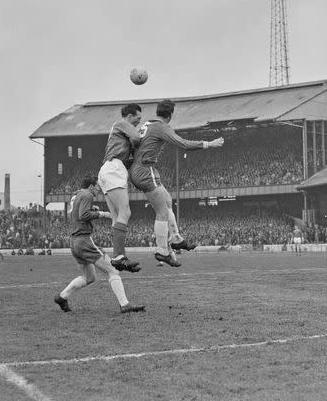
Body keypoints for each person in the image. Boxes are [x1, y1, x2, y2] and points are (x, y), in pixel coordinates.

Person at [129, 99, 224, 267]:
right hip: (145, 169)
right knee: (162, 212)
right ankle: (162, 251)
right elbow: (183, 144)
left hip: (142, 168)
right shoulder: (161, 127)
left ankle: (176, 239)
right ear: (170, 115)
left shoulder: (148, 124)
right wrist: (210, 144)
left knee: (167, 202)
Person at [54, 174, 145, 314]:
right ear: (91, 186)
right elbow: (83, 215)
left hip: (74, 242)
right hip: (84, 240)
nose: (98, 190)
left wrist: (94, 209)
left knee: (90, 277)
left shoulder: (76, 195)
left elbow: (77, 213)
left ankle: (62, 297)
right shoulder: (87, 194)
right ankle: (125, 305)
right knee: (113, 270)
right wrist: (102, 214)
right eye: (97, 187)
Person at [97, 103, 143, 273]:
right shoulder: (122, 124)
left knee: (116, 216)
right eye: (137, 119)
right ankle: (118, 256)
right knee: (126, 213)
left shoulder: (118, 130)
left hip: (108, 169)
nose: (138, 122)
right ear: (129, 116)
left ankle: (118, 257)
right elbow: (137, 139)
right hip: (114, 168)